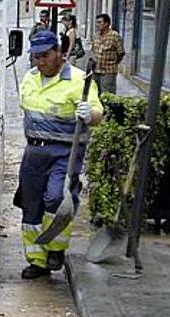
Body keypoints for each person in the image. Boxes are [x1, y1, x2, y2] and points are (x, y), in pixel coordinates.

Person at [15, 31, 103, 279]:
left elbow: (98, 113)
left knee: (56, 199)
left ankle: (55, 249)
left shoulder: (78, 80)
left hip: (65, 151)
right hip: (34, 151)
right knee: (30, 206)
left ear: (58, 53)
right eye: (35, 56)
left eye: (44, 56)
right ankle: (37, 261)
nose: (40, 61)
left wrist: (90, 115)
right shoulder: (30, 78)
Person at [91, 14, 125, 95]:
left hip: (108, 71)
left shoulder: (114, 35)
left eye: (99, 22)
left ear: (106, 23)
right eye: (97, 22)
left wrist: (113, 62)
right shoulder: (96, 35)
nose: (97, 25)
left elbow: (121, 52)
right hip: (96, 70)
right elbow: (93, 50)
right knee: (95, 93)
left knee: (107, 95)